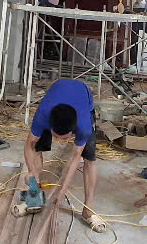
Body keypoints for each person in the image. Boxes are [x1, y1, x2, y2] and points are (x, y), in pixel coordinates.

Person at [23, 77, 104, 232]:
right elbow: (29, 145)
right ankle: (34, 195)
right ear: (50, 127)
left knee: (89, 158)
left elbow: (75, 158)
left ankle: (87, 210)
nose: (59, 142)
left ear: (73, 132)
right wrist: (32, 172)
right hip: (57, 89)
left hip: (82, 95)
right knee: (37, 147)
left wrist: (62, 191)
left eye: (65, 138)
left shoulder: (84, 127)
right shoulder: (43, 116)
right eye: (56, 136)